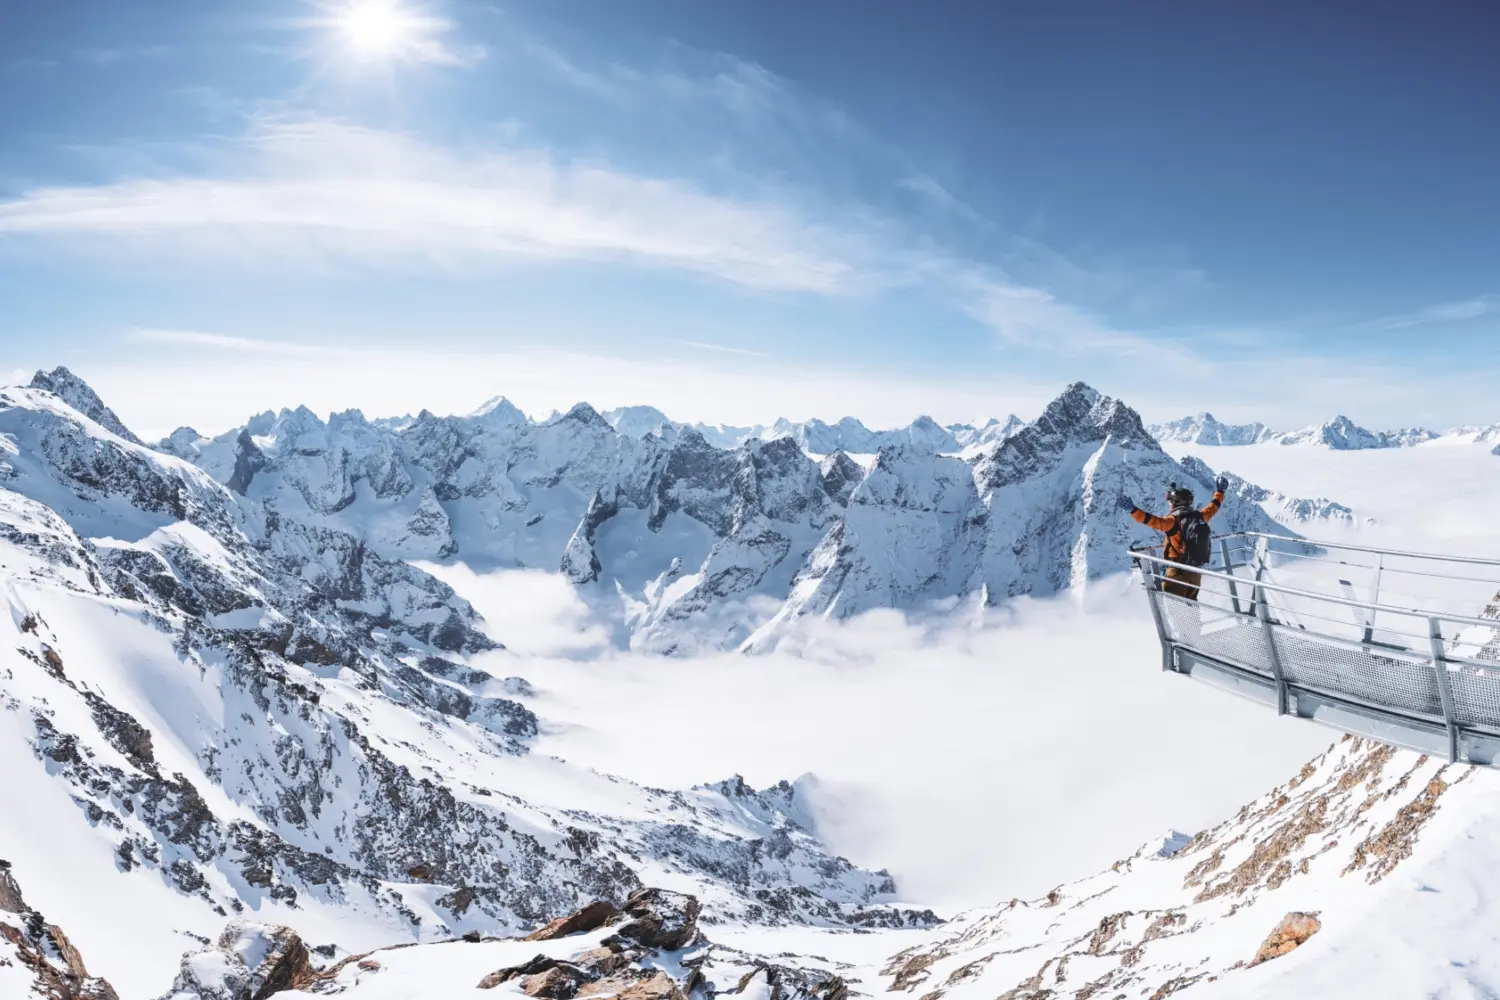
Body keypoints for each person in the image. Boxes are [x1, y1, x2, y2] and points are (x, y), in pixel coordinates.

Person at [1118, 477, 1229, 601]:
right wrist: (1220, 491)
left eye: (1170, 501)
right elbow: (1213, 507)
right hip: (1195, 571)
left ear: (1176, 503)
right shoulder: (1200, 517)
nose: (1169, 504)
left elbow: (1152, 520)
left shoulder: (1172, 521)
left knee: (1175, 607)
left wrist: (1133, 510)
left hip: (1177, 571)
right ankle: (1193, 621)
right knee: (1191, 605)